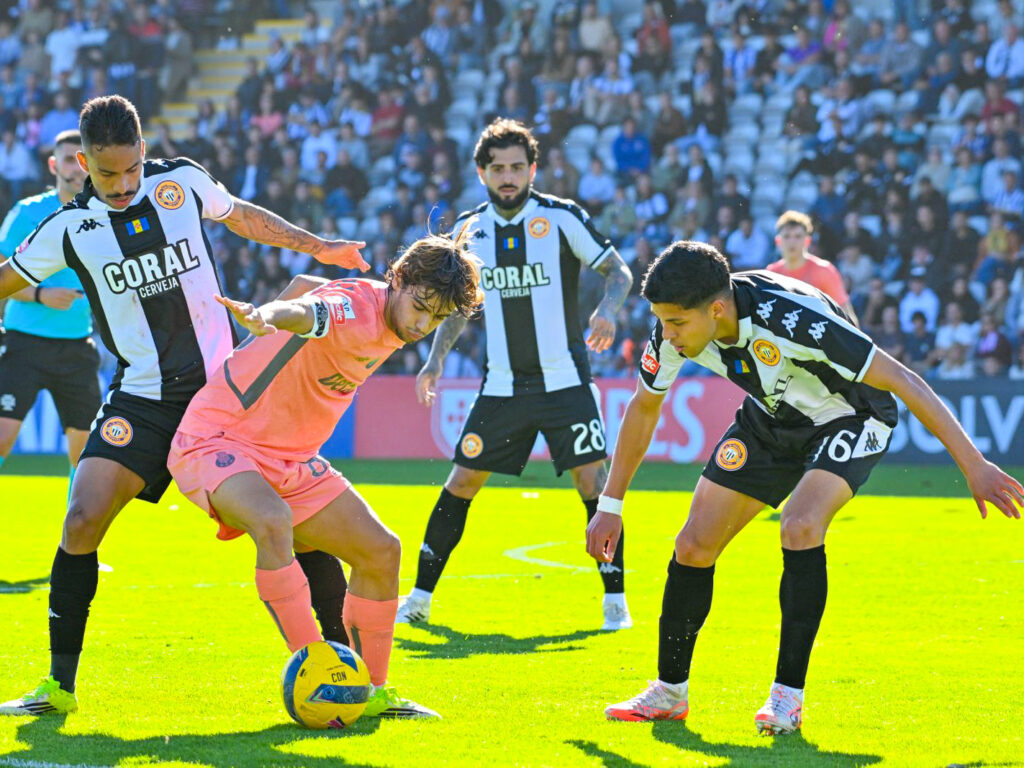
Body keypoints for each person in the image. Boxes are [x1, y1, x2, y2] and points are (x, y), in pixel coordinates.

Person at [0, 95, 368, 716]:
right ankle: (58, 689)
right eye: (105, 173)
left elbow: (242, 216)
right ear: (83, 163)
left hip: (226, 398)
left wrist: (318, 246)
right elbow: (6, 279)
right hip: (143, 400)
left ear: (144, 152)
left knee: (296, 526)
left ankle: (347, 674)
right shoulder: (69, 228)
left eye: (130, 169)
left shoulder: (182, 183)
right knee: (81, 519)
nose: (121, 185)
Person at [587, 241, 1022, 732]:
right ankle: (669, 693)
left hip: (850, 416)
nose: (667, 335)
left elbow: (903, 379)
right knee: (692, 545)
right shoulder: (675, 328)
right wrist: (610, 504)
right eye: (662, 322)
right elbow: (644, 407)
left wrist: (974, 465)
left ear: (716, 309)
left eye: (676, 323)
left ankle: (786, 699)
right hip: (771, 418)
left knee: (798, 525)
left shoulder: (792, 319)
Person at [168, 233, 484, 718]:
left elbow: (304, 284)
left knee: (382, 552)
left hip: (292, 460)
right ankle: (319, 672)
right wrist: (267, 316)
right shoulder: (354, 307)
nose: (423, 325)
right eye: (421, 307)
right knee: (273, 520)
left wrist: (272, 318)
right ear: (398, 279)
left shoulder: (389, 314)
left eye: (437, 317)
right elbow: (308, 311)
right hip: (219, 438)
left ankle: (372, 692)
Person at [396, 118, 635, 630]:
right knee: (461, 482)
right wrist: (435, 361)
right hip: (502, 386)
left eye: (517, 167)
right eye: (498, 168)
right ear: (482, 173)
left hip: (565, 381)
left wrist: (609, 309)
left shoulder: (561, 217)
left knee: (593, 483)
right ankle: (418, 598)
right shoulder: (470, 229)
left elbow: (619, 270)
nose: (508, 176)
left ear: (532, 170)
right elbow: (457, 306)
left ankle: (616, 603)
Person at [0, 131, 97, 486]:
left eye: (82, 160)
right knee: (2, 437)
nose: (77, 168)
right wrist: (41, 295)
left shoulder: (105, 214)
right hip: (23, 343)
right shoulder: (26, 212)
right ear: (54, 165)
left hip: (77, 345)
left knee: (86, 454)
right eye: (69, 160)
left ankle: (76, 522)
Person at [766, 210, 858, 324]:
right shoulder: (771, 274)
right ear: (778, 241)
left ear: (807, 241)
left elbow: (847, 315)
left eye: (798, 236)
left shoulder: (824, 271)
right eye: (787, 236)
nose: (792, 242)